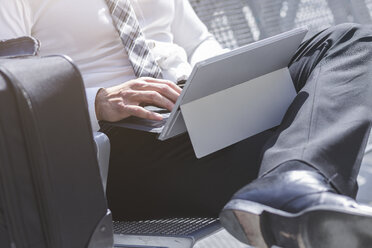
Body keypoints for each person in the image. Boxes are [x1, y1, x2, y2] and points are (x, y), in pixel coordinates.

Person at [1, 0, 372, 247]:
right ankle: (296, 186)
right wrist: (97, 101)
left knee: (350, 41)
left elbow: (199, 41)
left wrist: (229, 77)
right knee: (324, 146)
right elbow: (9, 86)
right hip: (113, 140)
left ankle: (293, 180)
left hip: (196, 107)